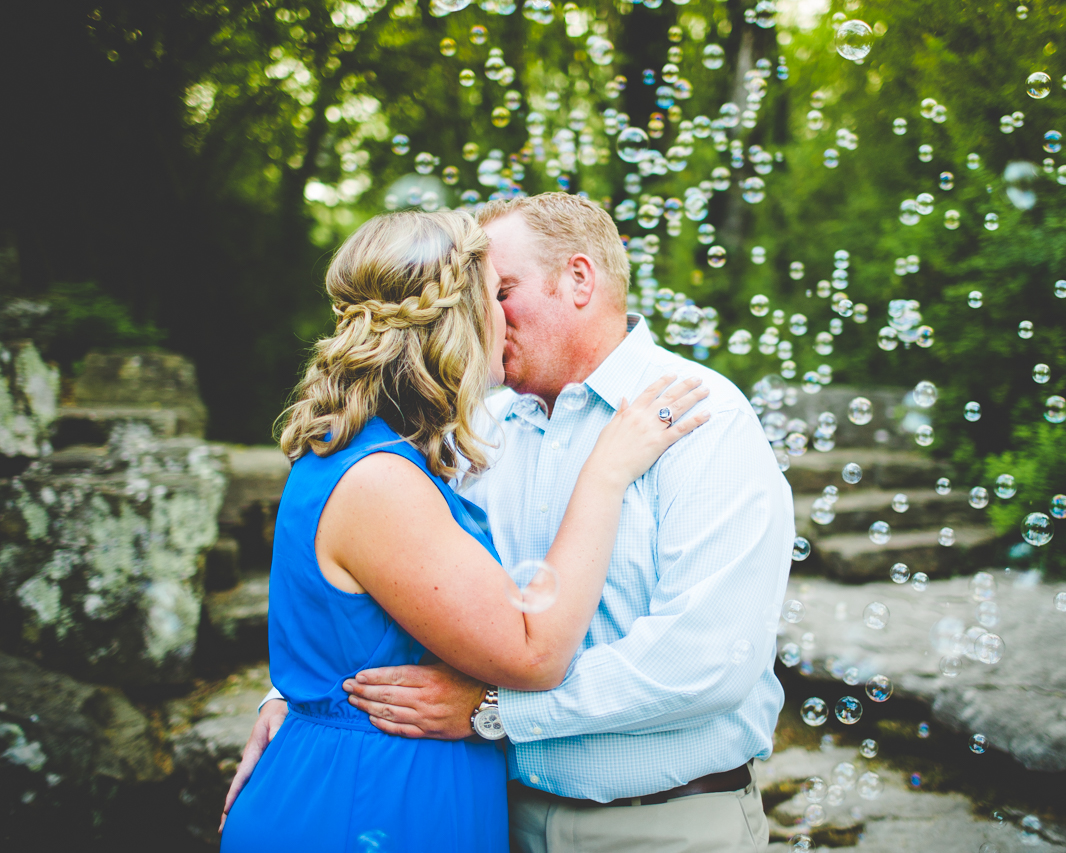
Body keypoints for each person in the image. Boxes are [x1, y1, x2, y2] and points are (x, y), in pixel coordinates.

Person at [228, 193, 795, 852]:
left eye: (500, 291)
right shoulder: (479, 430)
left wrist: (495, 711)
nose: (482, 317)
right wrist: (297, 694)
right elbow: (400, 583)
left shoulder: (700, 418)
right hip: (497, 816)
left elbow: (706, 662)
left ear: (578, 280)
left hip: (661, 826)